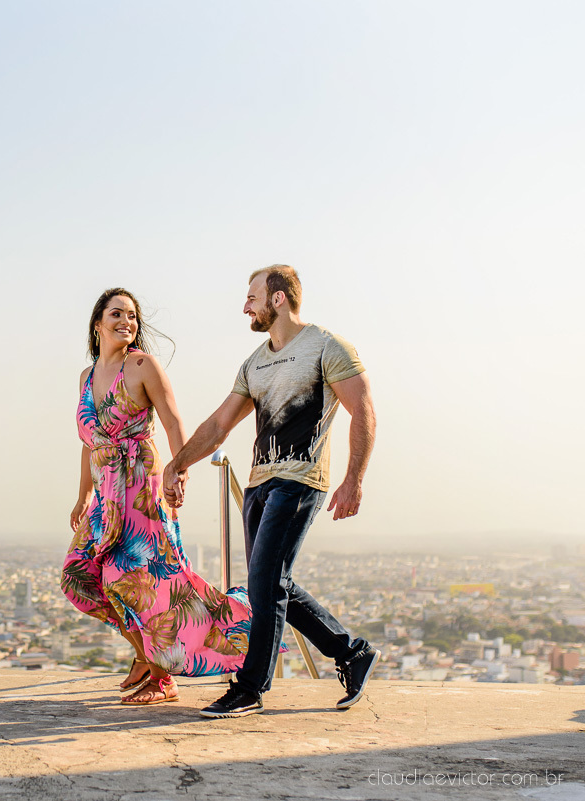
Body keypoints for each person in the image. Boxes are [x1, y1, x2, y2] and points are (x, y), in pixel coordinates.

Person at [162, 265, 380, 718]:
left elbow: (363, 410)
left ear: (278, 299)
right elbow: (220, 425)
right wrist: (178, 462)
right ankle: (351, 652)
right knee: (272, 584)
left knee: (264, 584)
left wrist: (353, 479)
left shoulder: (326, 346)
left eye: (252, 297)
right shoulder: (254, 362)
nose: (246, 306)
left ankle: (250, 687)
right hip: (260, 483)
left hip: (299, 481)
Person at [62, 287, 254, 706]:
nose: (126, 322)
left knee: (140, 581)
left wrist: (178, 470)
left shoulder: (143, 365)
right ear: (98, 324)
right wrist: (82, 497)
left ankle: (163, 677)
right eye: (116, 314)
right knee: (80, 577)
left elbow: (172, 421)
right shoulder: (86, 375)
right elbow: (87, 442)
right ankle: (145, 656)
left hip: (139, 488)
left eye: (132, 316)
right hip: (105, 494)